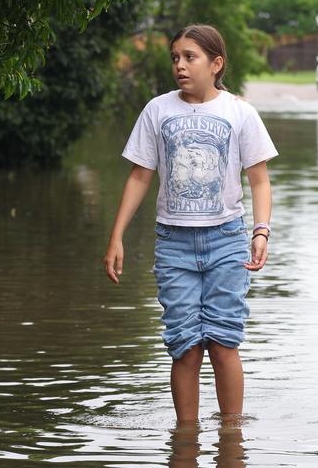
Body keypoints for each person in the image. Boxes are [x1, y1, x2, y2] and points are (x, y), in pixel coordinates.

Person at [103, 24, 278, 422]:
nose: (179, 65)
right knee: (184, 346)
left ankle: (232, 439)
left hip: (227, 241)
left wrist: (261, 230)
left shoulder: (240, 113)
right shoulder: (158, 110)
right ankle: (186, 439)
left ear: (216, 64)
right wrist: (116, 237)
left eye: (189, 57)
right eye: (175, 58)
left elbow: (259, 179)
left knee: (222, 341)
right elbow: (139, 176)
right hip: (174, 244)